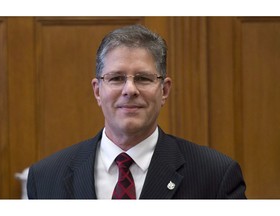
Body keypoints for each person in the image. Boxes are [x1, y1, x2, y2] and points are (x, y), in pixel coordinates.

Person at [27, 24, 246, 199]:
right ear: (97, 91)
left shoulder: (216, 175)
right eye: (116, 78)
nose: (130, 90)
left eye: (143, 78)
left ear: (164, 90)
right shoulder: (46, 178)